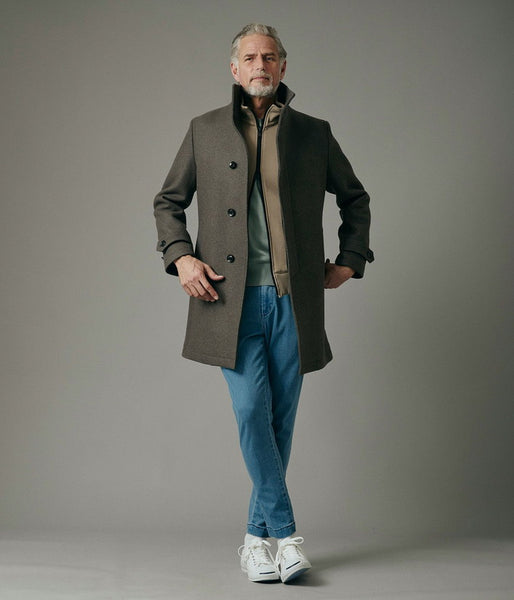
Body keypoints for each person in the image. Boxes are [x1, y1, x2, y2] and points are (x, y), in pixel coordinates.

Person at [153, 23, 374, 584]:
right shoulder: (204, 130)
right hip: (228, 299)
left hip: (293, 300)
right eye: (250, 57)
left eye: (270, 57)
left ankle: (255, 541)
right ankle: (287, 536)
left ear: (282, 67)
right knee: (253, 410)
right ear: (234, 69)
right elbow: (168, 202)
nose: (260, 65)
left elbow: (354, 198)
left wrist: (350, 258)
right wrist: (182, 257)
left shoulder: (313, 133)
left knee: (280, 421)